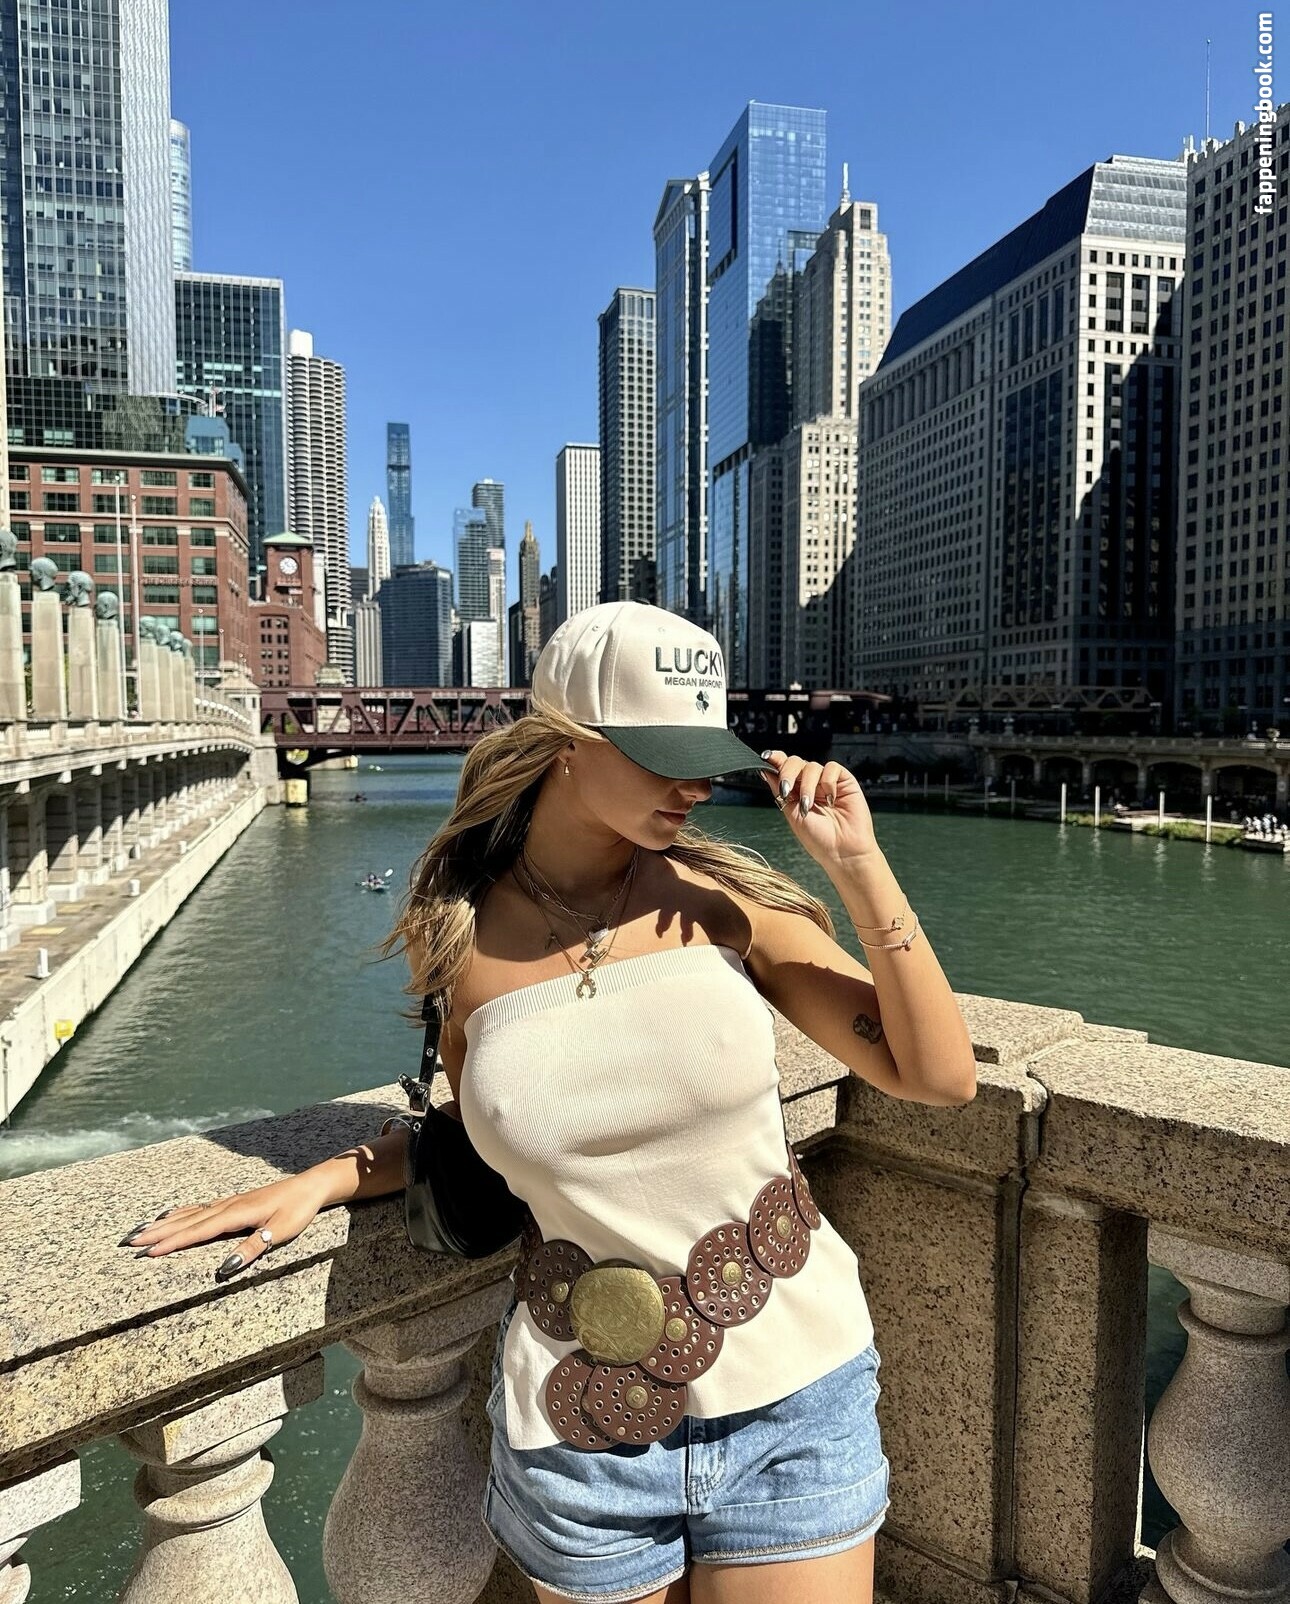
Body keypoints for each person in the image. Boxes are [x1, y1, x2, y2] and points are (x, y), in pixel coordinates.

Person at [122, 601, 977, 1604]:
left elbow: (939, 1075)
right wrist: (336, 1172)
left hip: (795, 1394)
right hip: (582, 1431)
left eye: (708, 756)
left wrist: (860, 868)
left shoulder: (723, 902)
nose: (697, 785)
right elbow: (499, 1123)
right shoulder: (454, 932)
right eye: (665, 756)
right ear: (564, 744)